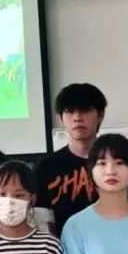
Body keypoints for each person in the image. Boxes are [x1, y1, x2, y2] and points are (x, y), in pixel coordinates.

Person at [34, 84, 106, 235]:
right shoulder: (46, 167)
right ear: (61, 118)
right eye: (69, 111)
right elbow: (40, 219)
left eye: (85, 110)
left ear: (100, 115)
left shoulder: (118, 163)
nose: (77, 118)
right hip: (60, 247)